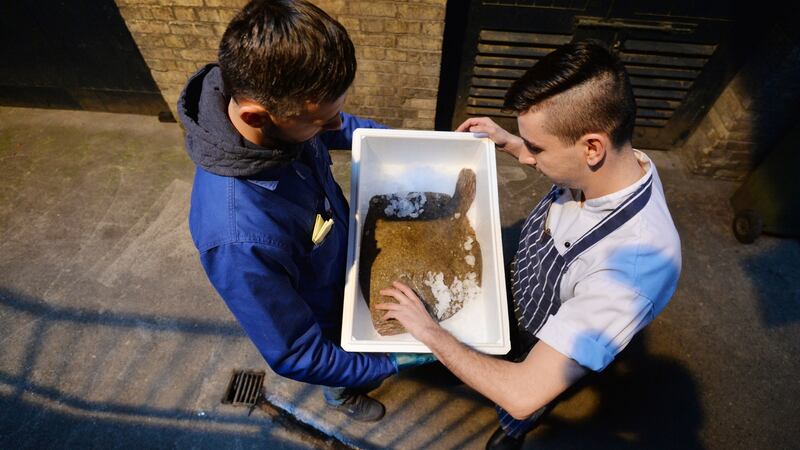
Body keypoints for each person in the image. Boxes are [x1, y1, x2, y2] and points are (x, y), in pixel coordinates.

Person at [377, 40, 682, 448]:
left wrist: (429, 332)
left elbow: (523, 392)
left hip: (538, 345)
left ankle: (511, 436)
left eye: (537, 148)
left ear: (593, 147)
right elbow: (566, 158)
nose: (531, 158)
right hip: (520, 296)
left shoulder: (631, 271)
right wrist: (512, 142)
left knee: (524, 407)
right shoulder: (620, 161)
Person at [178, 0, 431, 423]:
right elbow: (297, 350)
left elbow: (340, 124)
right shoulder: (239, 239)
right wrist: (389, 364)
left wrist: (400, 140)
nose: (334, 128)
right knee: (338, 363)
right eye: (320, 122)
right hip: (323, 315)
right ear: (257, 116)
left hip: (340, 264)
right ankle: (341, 397)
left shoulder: (277, 110)